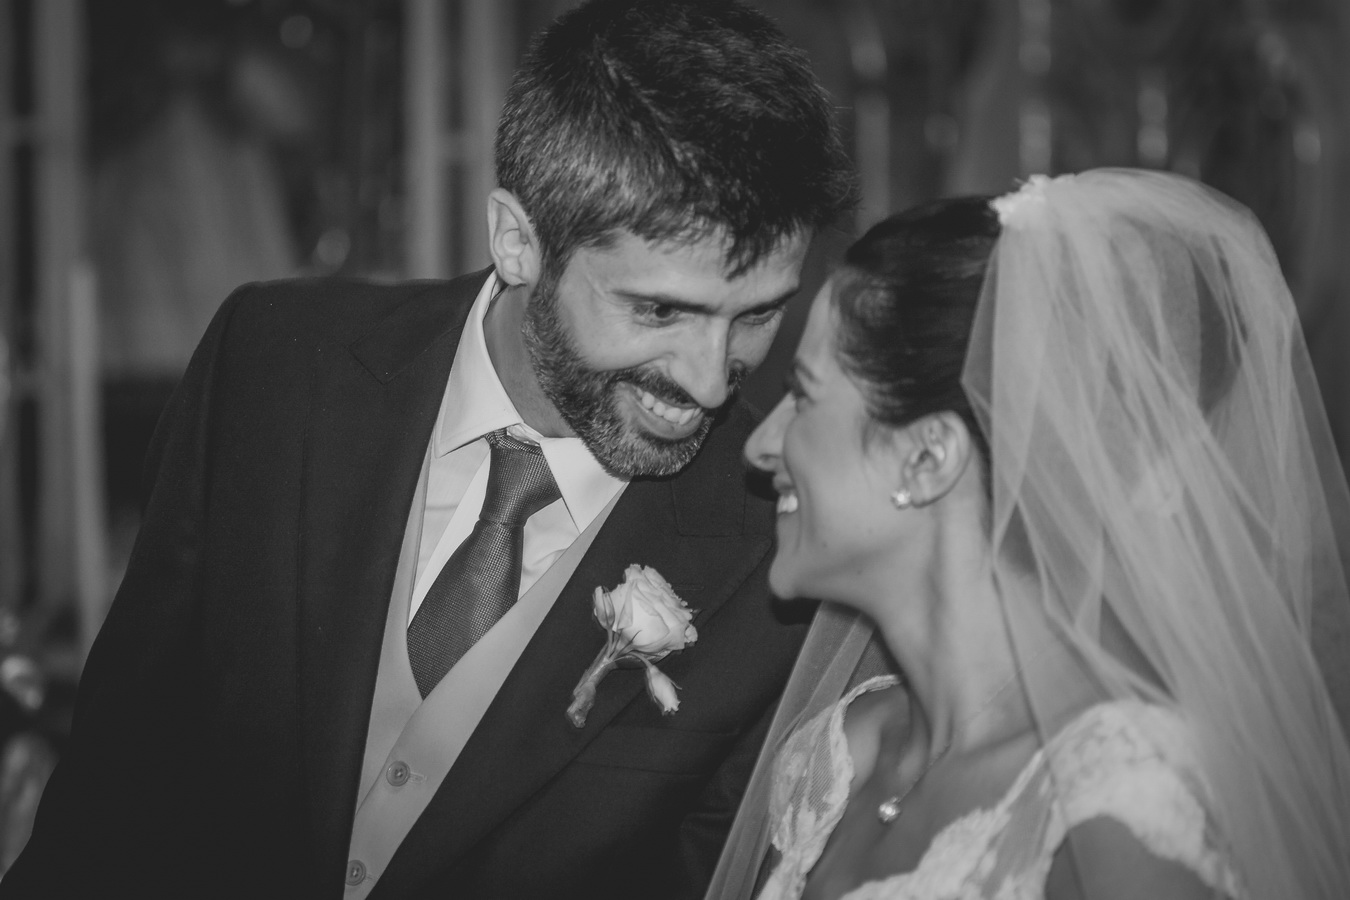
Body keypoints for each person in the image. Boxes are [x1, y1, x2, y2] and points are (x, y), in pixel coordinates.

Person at [2, 2, 855, 898]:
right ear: (518, 240)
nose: (714, 380)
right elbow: (115, 782)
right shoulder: (275, 366)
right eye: (659, 311)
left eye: (757, 313)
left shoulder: (776, 547)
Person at [726, 169, 1350, 900]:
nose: (760, 446)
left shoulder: (1115, 803)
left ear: (928, 458)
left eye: (802, 396)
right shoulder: (834, 756)